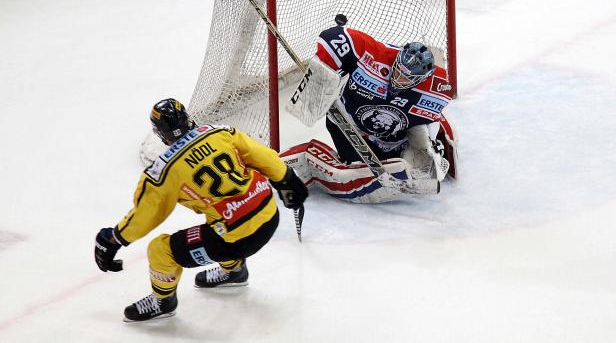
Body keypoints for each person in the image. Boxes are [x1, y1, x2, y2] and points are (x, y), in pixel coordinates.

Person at [94, 98, 308, 322]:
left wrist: (114, 238)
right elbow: (262, 155)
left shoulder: (164, 170)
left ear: (159, 133)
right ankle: (233, 272)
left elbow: (146, 214)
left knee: (160, 250)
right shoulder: (219, 132)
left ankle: (163, 301)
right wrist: (288, 179)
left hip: (238, 241)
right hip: (269, 214)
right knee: (215, 221)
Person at [283, 23, 458, 203]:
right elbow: (333, 36)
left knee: (421, 165)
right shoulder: (376, 55)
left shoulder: (438, 88)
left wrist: (429, 142)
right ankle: (310, 155)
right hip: (348, 125)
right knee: (353, 175)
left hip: (390, 140)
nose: (397, 78)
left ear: (421, 79)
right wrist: (323, 73)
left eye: (406, 77)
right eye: (397, 70)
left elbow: (431, 116)